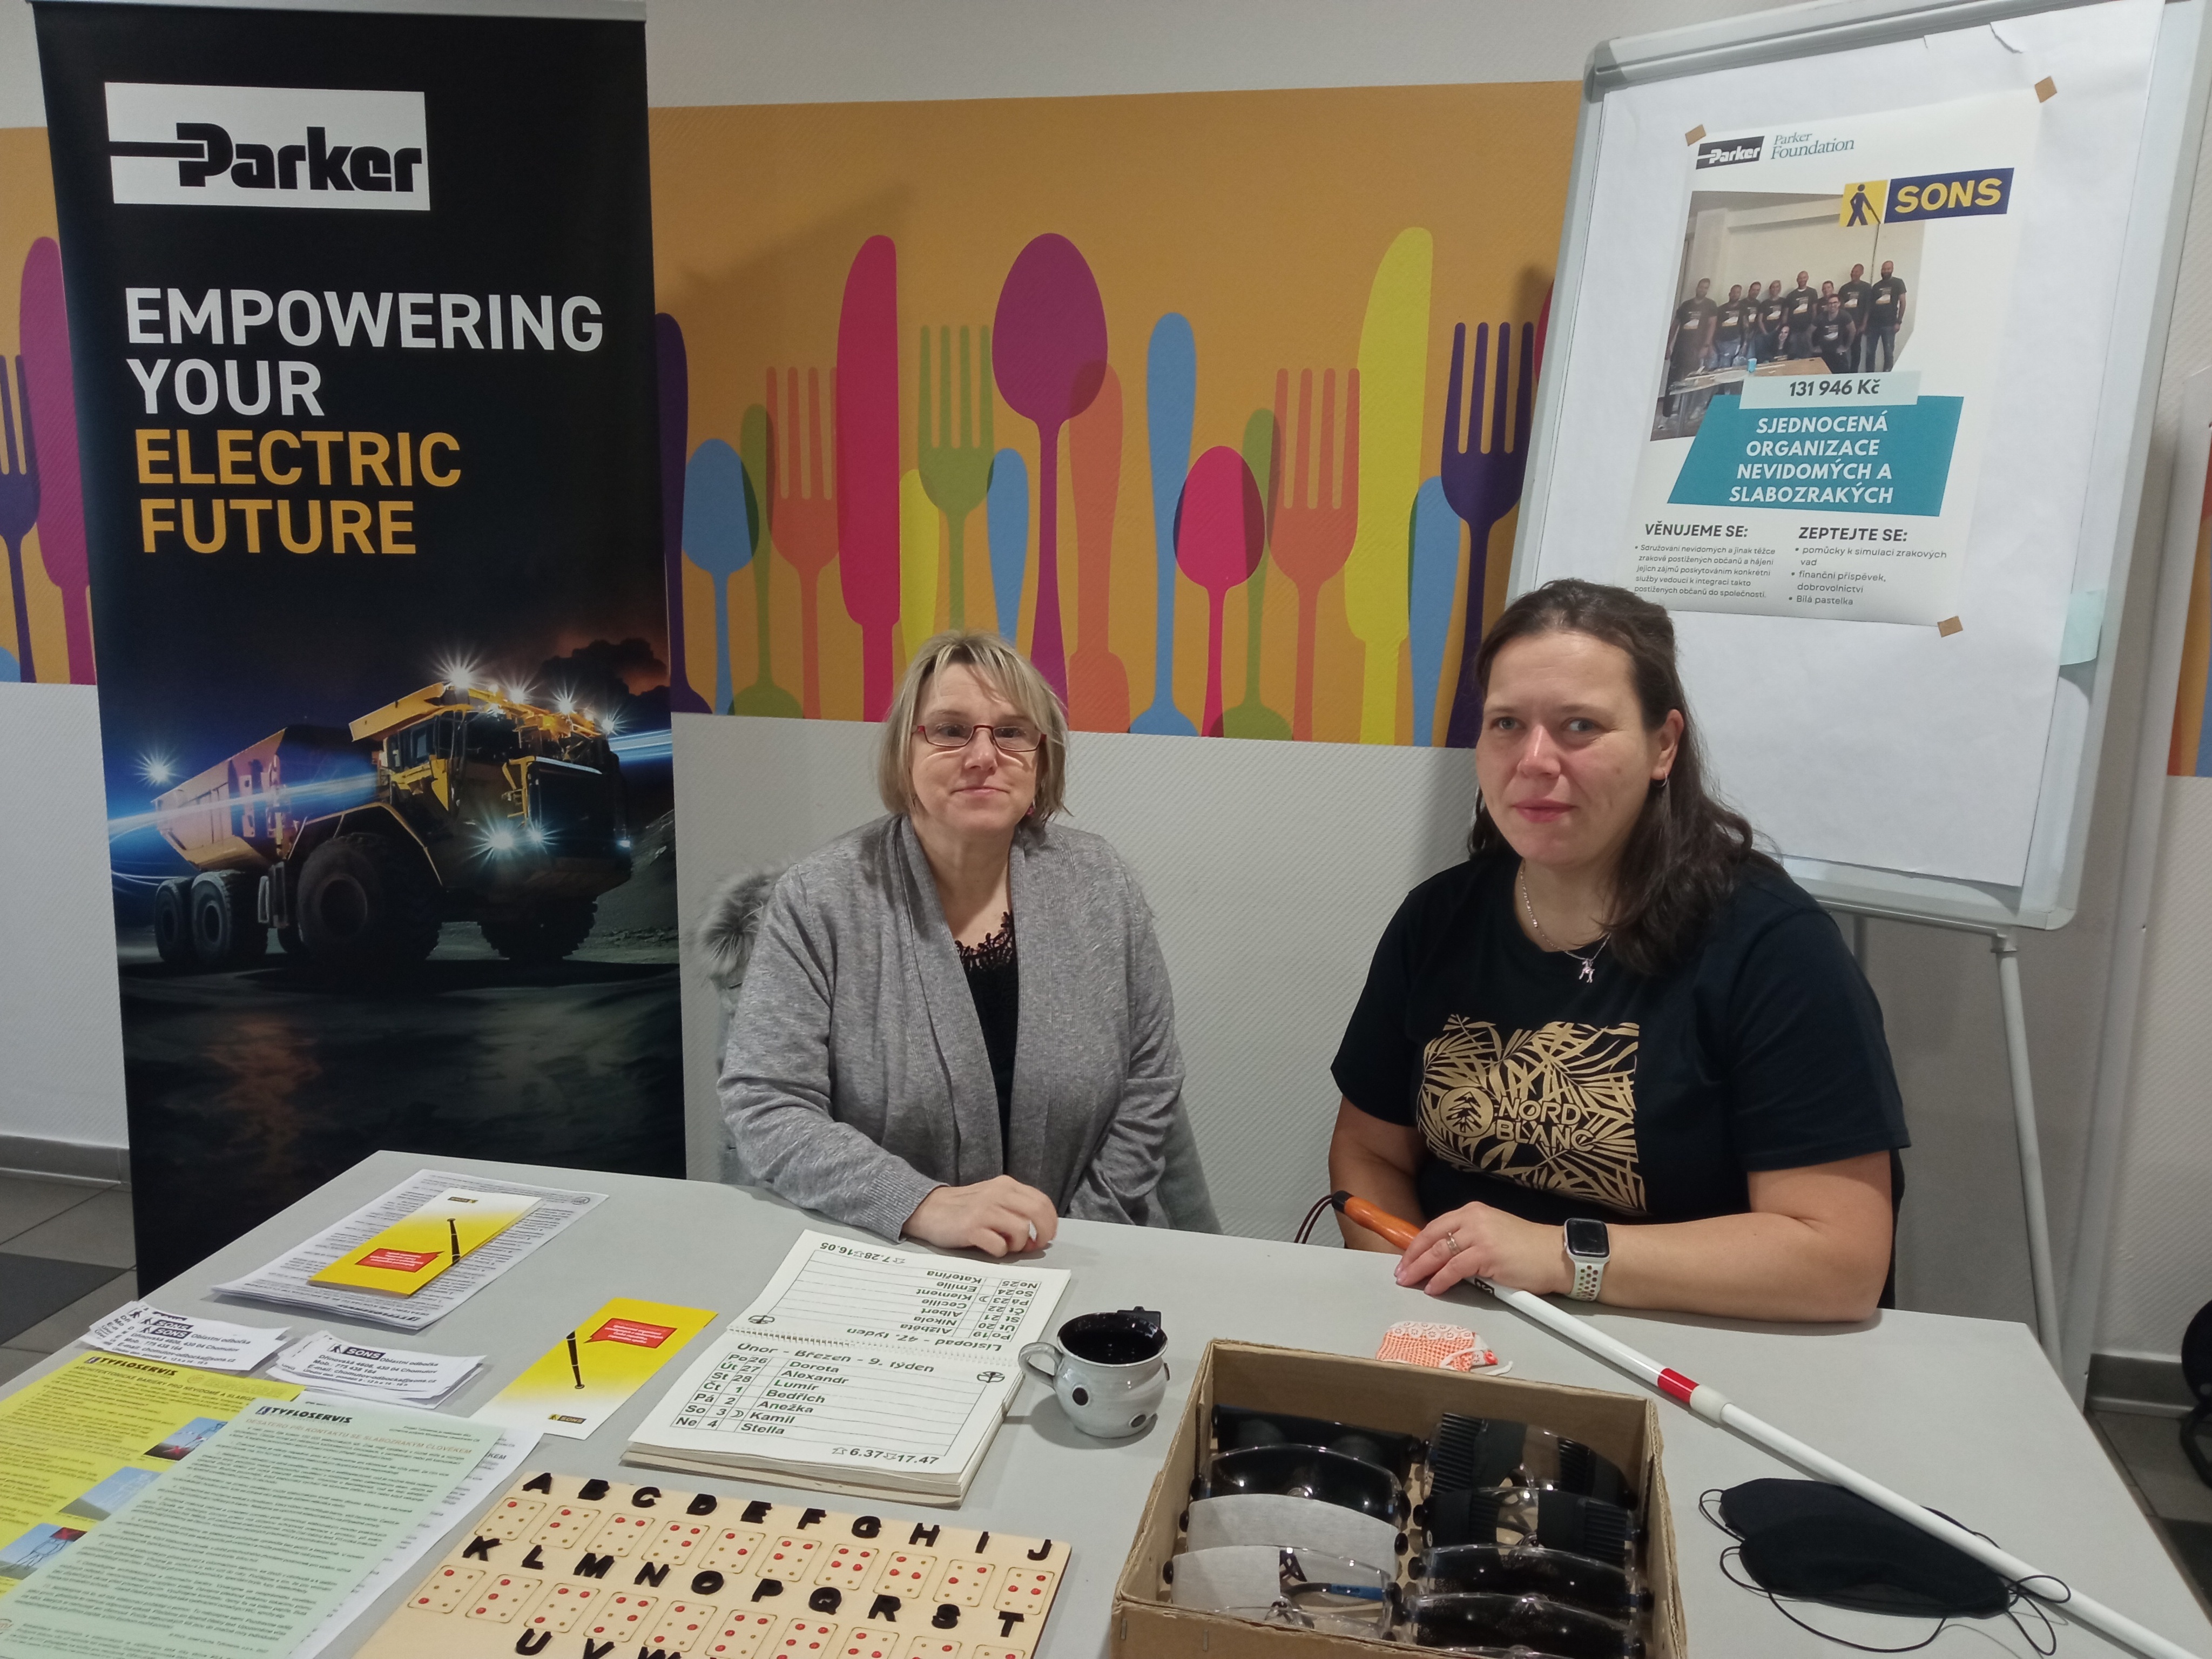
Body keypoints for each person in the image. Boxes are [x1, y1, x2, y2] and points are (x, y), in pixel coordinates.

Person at [1326, 581, 1908, 1323]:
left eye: (1580, 726)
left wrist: (1562, 1256)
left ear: (1664, 745)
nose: (1534, 760)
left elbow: (1841, 1260)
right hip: (1464, 1333)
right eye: (1506, 724)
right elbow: (1370, 1154)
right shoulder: (1437, 919)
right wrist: (1424, 1311)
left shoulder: (1773, 946)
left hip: (1692, 1343)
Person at [720, 629, 1184, 1255]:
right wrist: (919, 1204)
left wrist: (1078, 1231)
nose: (983, 756)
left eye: (1012, 731)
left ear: (1042, 758)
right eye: (950, 730)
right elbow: (767, 1102)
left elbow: (1151, 1078)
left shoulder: (1099, 882)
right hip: (892, 1254)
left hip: (1088, 1248)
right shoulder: (819, 899)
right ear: (903, 753)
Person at [1663, 278, 1718, 412]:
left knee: (1691, 382)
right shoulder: (1686, 305)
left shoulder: (1710, 305)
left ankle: (1685, 412)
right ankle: (1667, 412)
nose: (1703, 290)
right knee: (1673, 381)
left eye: (1706, 288)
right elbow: (1675, 326)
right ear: (1697, 287)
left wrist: (1706, 346)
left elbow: (1712, 326)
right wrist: (1668, 346)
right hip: (1680, 348)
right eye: (1701, 287)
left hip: (1697, 349)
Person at [1867, 259, 1907, 370]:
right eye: (1884, 269)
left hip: (1890, 324)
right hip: (1873, 325)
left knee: (1888, 353)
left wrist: (1899, 322)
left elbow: (1903, 302)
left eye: (1888, 269)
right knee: (1870, 352)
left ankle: (1887, 376)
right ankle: (1869, 375)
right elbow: (1871, 306)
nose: (1885, 271)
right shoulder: (1876, 286)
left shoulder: (1898, 283)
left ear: (1892, 269)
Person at [1837, 262, 1876, 368]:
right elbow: (1840, 308)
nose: (1853, 273)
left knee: (1856, 350)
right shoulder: (1844, 288)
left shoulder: (1866, 288)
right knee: (1842, 350)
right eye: (1853, 271)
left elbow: (1868, 308)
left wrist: (1864, 325)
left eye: (1856, 272)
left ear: (1862, 273)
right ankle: (1843, 372)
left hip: (1858, 326)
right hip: (1844, 326)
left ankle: (1854, 372)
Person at [1809, 293, 1857, 374]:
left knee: (1843, 374)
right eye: (1830, 303)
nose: (1832, 305)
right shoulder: (1821, 317)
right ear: (1827, 305)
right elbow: (1809, 332)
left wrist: (1846, 347)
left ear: (1839, 304)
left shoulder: (1845, 316)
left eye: (1835, 303)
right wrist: (1812, 348)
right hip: (1823, 351)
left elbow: (1853, 330)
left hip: (1837, 351)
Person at [1781, 269, 1819, 357]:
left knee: (1807, 353)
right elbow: (1785, 314)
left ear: (1807, 278)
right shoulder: (1791, 295)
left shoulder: (1812, 292)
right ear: (1797, 280)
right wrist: (1785, 328)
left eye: (1804, 278)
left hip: (1808, 329)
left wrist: (1813, 326)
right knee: (1793, 353)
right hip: (1793, 330)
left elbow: (1814, 311)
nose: (1802, 280)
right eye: (1800, 278)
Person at [1711, 283, 1748, 369]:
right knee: (1715, 366)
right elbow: (1714, 326)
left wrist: (1745, 344)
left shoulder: (1743, 309)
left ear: (1740, 295)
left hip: (1734, 342)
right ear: (1730, 294)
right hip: (1719, 342)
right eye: (1734, 292)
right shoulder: (1720, 309)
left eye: (1738, 292)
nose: (1735, 294)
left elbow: (1746, 327)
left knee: (1727, 366)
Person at [1757, 280, 1788, 362]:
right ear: (1770, 289)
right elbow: (1760, 320)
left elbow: (1784, 317)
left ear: (1780, 289)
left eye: (1777, 287)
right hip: (1764, 333)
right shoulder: (1764, 303)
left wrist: (1778, 330)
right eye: (1773, 287)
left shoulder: (1784, 301)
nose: (1775, 289)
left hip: (1778, 333)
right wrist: (1765, 333)